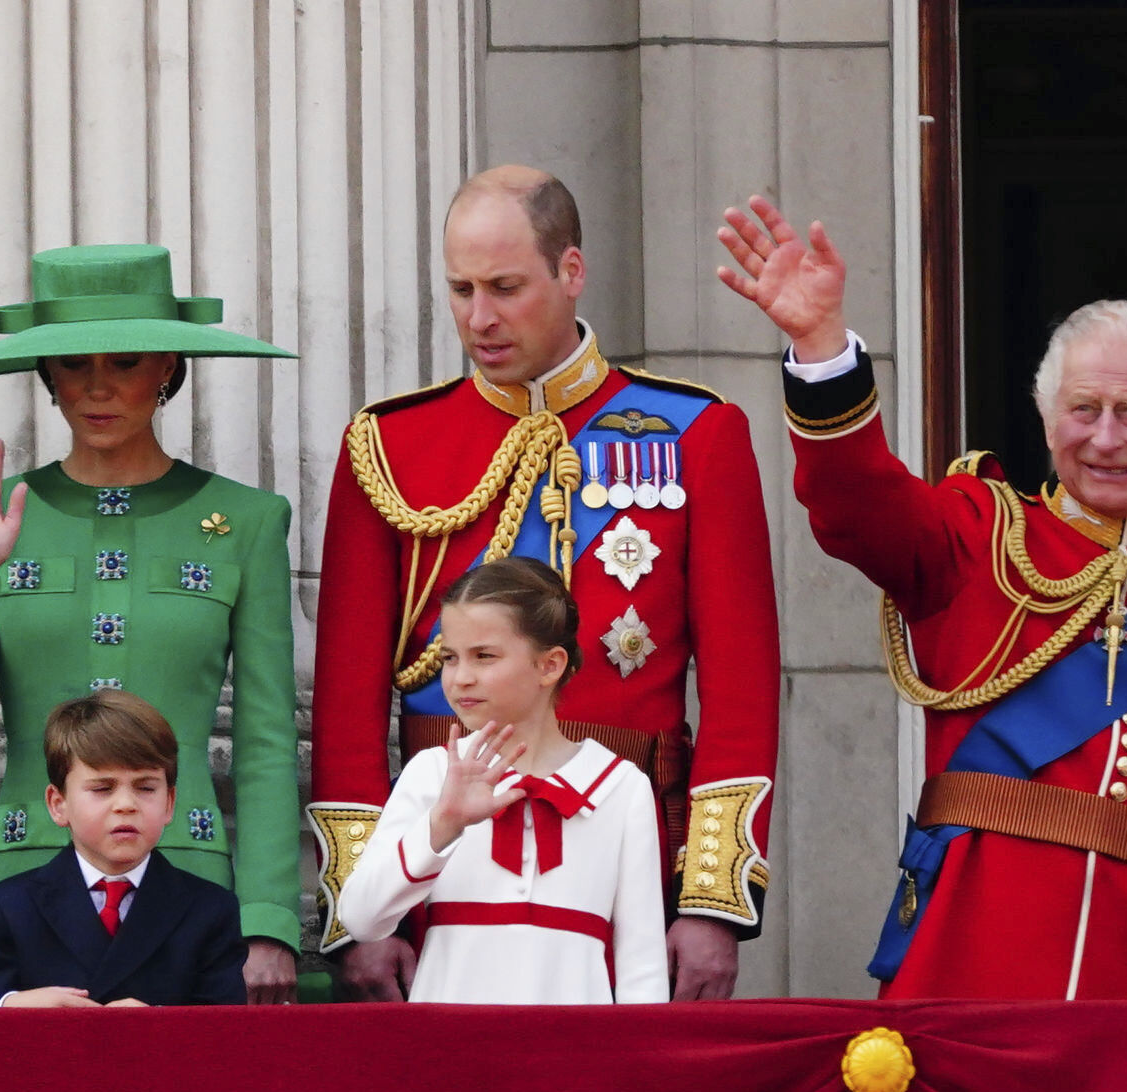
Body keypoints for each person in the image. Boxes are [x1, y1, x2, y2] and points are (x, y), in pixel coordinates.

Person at [715, 195, 1127, 1000]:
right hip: (967, 961)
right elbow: (855, 504)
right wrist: (820, 346)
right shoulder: (976, 534)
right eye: (1083, 410)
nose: (1104, 439)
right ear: (1044, 414)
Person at [310, 166, 779, 1003]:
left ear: (571, 272)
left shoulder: (697, 434)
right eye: (459, 289)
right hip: (440, 859)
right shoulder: (388, 446)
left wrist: (711, 901)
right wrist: (358, 914)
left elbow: (743, 694)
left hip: (624, 851)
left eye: (505, 287)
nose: (478, 319)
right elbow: (347, 710)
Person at [0, 244, 302, 1003]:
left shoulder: (247, 521)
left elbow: (264, 739)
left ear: (167, 369)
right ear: (46, 376)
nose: (96, 386)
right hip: (27, 882)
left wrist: (267, 919)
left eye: (124, 361)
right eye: (72, 364)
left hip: (188, 885)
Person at [337, 559, 667, 1003]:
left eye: (484, 656)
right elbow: (361, 919)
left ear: (549, 666)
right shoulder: (433, 772)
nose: (460, 677)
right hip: (449, 1049)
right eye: (450, 658)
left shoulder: (621, 787)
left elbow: (642, 965)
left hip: (576, 1057)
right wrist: (442, 826)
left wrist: (632, 1068)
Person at [0, 689, 248, 1007]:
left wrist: (162, 1027)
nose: (126, 804)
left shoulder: (210, 910)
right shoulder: (11, 905)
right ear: (58, 805)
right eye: (102, 788)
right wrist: (18, 1005)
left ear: (169, 803)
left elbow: (223, 1033)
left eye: (145, 788)